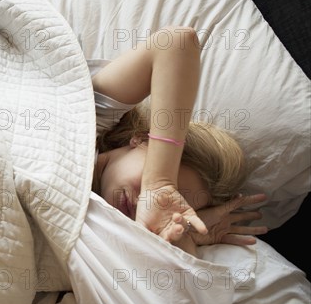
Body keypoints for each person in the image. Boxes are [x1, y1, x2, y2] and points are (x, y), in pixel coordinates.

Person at [89, 25, 268, 255]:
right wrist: (159, 184)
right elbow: (177, 43)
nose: (142, 204)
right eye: (164, 194)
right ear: (142, 139)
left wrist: (187, 231)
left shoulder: (99, 233)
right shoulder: (92, 115)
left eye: (166, 206)